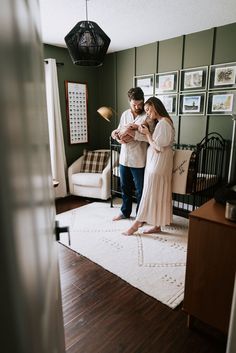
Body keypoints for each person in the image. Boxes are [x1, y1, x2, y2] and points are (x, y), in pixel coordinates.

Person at [122, 96, 175, 235]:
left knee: (149, 192)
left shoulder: (164, 123)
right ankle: (157, 225)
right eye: (145, 110)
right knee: (158, 192)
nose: (148, 113)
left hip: (158, 162)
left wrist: (147, 134)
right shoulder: (162, 122)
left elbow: (157, 146)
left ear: (155, 106)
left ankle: (137, 223)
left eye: (148, 109)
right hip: (157, 161)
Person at [111, 87, 153, 221]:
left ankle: (140, 216)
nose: (137, 106)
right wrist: (117, 137)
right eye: (134, 104)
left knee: (140, 190)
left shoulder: (148, 116)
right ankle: (125, 212)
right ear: (129, 101)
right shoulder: (125, 114)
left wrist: (132, 134)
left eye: (140, 104)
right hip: (124, 158)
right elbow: (118, 130)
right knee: (125, 187)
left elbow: (149, 137)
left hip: (139, 159)